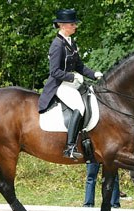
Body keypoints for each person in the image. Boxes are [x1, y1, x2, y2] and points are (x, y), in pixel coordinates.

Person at [38, 9, 103, 160]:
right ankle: (70, 147)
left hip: (71, 83)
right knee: (79, 107)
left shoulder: (71, 42)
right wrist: (72, 76)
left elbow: (79, 66)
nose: (75, 26)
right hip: (59, 85)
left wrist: (94, 74)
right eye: (73, 24)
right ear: (63, 25)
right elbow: (54, 71)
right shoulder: (57, 45)